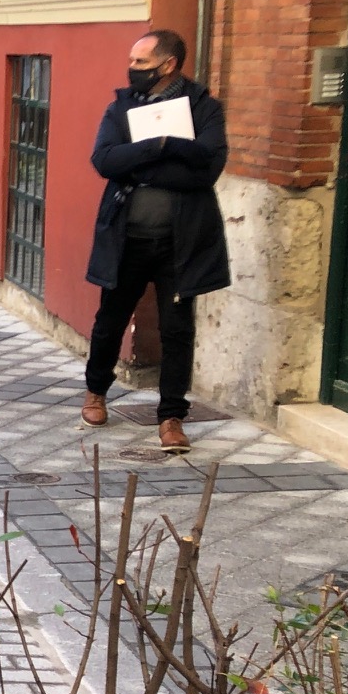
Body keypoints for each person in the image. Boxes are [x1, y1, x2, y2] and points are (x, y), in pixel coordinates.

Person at [80, 29, 230, 454]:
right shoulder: (121, 108)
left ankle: (171, 418)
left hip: (181, 243)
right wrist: (162, 146)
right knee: (109, 322)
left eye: (141, 62)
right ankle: (96, 392)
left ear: (168, 65)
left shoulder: (204, 108)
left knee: (178, 330)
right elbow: (104, 160)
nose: (132, 69)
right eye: (132, 61)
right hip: (126, 239)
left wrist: (141, 162)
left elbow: (206, 168)